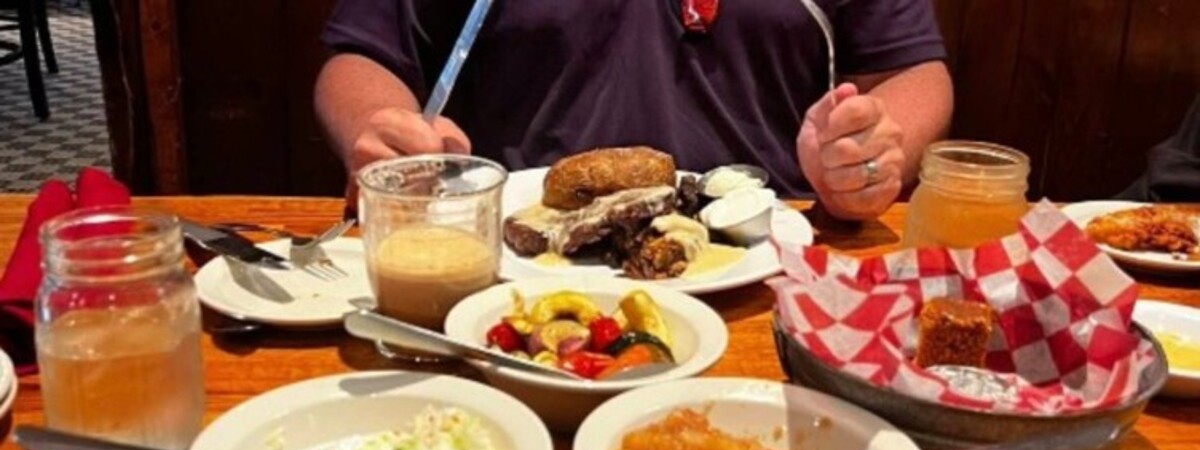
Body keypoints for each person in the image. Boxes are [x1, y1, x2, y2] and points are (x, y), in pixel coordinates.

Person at [315, 0, 953, 221]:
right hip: (512, 260)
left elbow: (910, 69)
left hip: (763, 258)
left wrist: (867, 150)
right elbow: (364, 55)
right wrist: (381, 129)